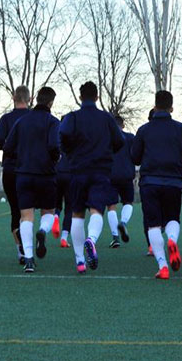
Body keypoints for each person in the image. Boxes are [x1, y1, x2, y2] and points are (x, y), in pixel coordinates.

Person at [59, 82, 124, 273]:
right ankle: (92, 239)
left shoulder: (73, 117)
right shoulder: (106, 118)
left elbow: (62, 134)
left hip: (78, 170)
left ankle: (80, 261)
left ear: (80, 97)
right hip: (100, 170)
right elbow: (119, 141)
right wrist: (107, 151)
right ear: (97, 97)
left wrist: (70, 153)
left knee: (77, 214)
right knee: (97, 210)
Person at [131, 91, 182, 279]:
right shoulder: (181, 129)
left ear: (155, 106)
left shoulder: (143, 130)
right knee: (173, 218)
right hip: (173, 181)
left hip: (150, 181)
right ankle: (172, 240)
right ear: (171, 108)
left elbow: (134, 156)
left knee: (153, 225)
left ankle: (163, 266)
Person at [4, 87, 61, 273]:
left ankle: (28, 259)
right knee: (48, 212)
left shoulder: (21, 121)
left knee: (26, 217)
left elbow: (8, 146)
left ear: (36, 98)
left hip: (24, 174)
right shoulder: (53, 122)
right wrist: (53, 159)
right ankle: (43, 232)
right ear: (51, 102)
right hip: (46, 174)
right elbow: (54, 145)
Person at [0, 85, 31, 265]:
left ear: (14, 99)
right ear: (29, 99)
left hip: (10, 169)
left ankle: (21, 250)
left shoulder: (6, 119)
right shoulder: (34, 118)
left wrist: (11, 146)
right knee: (29, 211)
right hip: (32, 169)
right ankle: (29, 246)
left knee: (15, 211)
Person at [108, 115, 136, 248]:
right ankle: (123, 222)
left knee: (111, 206)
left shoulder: (107, 139)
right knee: (128, 202)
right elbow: (136, 155)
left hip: (110, 175)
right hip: (126, 174)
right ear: (123, 125)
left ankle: (115, 237)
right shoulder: (130, 138)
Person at [54, 143, 72, 248]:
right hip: (70, 174)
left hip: (57, 173)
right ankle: (64, 238)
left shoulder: (56, 134)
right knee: (69, 208)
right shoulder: (74, 135)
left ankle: (56, 216)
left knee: (57, 204)